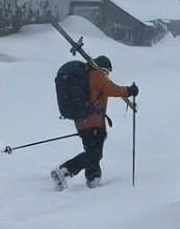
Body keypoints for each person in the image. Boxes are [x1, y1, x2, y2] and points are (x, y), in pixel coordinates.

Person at [51, 55, 138, 190]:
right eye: (107, 72)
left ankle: (93, 178)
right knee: (94, 153)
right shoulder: (97, 74)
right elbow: (111, 89)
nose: (107, 75)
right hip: (93, 119)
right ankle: (65, 170)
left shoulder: (86, 75)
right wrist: (129, 91)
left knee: (92, 151)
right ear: (103, 68)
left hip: (81, 120)